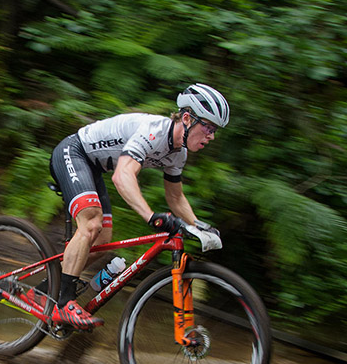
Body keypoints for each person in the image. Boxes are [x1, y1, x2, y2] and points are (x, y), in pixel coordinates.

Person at [45, 83, 230, 330]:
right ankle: (64, 303)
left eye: (215, 130)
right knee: (90, 224)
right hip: (74, 152)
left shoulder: (178, 154)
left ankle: (46, 287)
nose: (212, 136)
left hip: (93, 168)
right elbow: (122, 176)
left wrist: (198, 226)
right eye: (208, 127)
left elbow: (175, 198)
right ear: (187, 118)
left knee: (101, 243)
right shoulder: (153, 132)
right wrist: (152, 217)